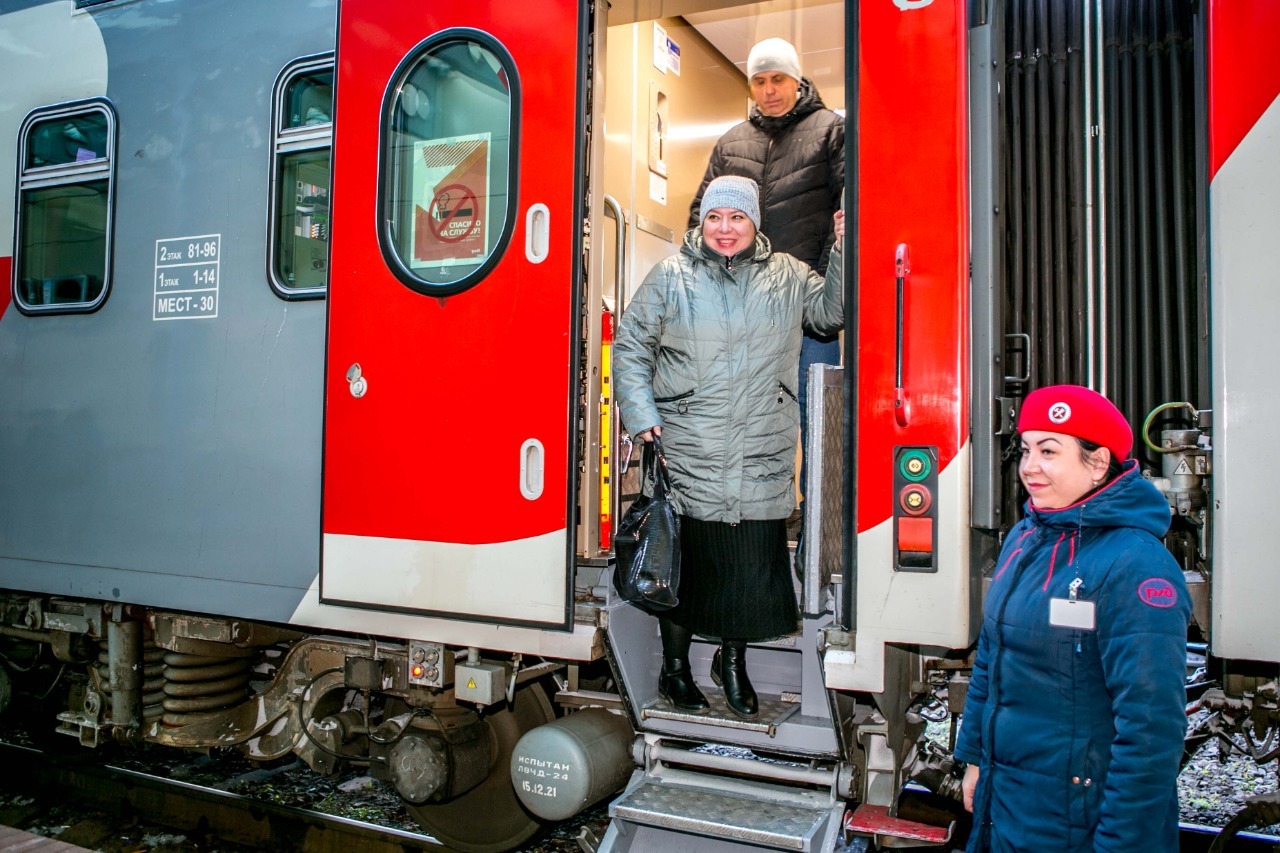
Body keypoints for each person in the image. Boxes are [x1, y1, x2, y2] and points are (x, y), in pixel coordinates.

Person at [614, 176, 844, 718]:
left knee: (742, 570)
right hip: (687, 444)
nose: (724, 229)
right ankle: (674, 671)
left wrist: (841, 250)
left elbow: (828, 315)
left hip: (762, 444)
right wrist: (642, 415)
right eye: (715, 217)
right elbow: (630, 345)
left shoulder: (788, 275)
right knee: (683, 569)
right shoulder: (672, 276)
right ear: (702, 222)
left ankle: (731, 664)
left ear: (754, 222)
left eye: (736, 218)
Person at [955, 385, 1191, 851]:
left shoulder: (1136, 564)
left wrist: (1124, 844)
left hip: (1079, 821)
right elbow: (991, 659)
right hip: (1010, 805)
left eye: (1048, 451)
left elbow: (1150, 731)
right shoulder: (1025, 538)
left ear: (1098, 462)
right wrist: (975, 760)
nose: (1028, 467)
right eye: (1025, 450)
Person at [687, 38, 845, 536]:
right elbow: (700, 218)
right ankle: (765, 514)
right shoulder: (732, 141)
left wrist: (820, 278)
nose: (769, 90)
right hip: (743, 308)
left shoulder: (830, 131)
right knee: (753, 414)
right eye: (759, 80)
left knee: (817, 415)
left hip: (806, 300)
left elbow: (848, 212)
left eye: (778, 78)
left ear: (797, 79)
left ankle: (822, 520)